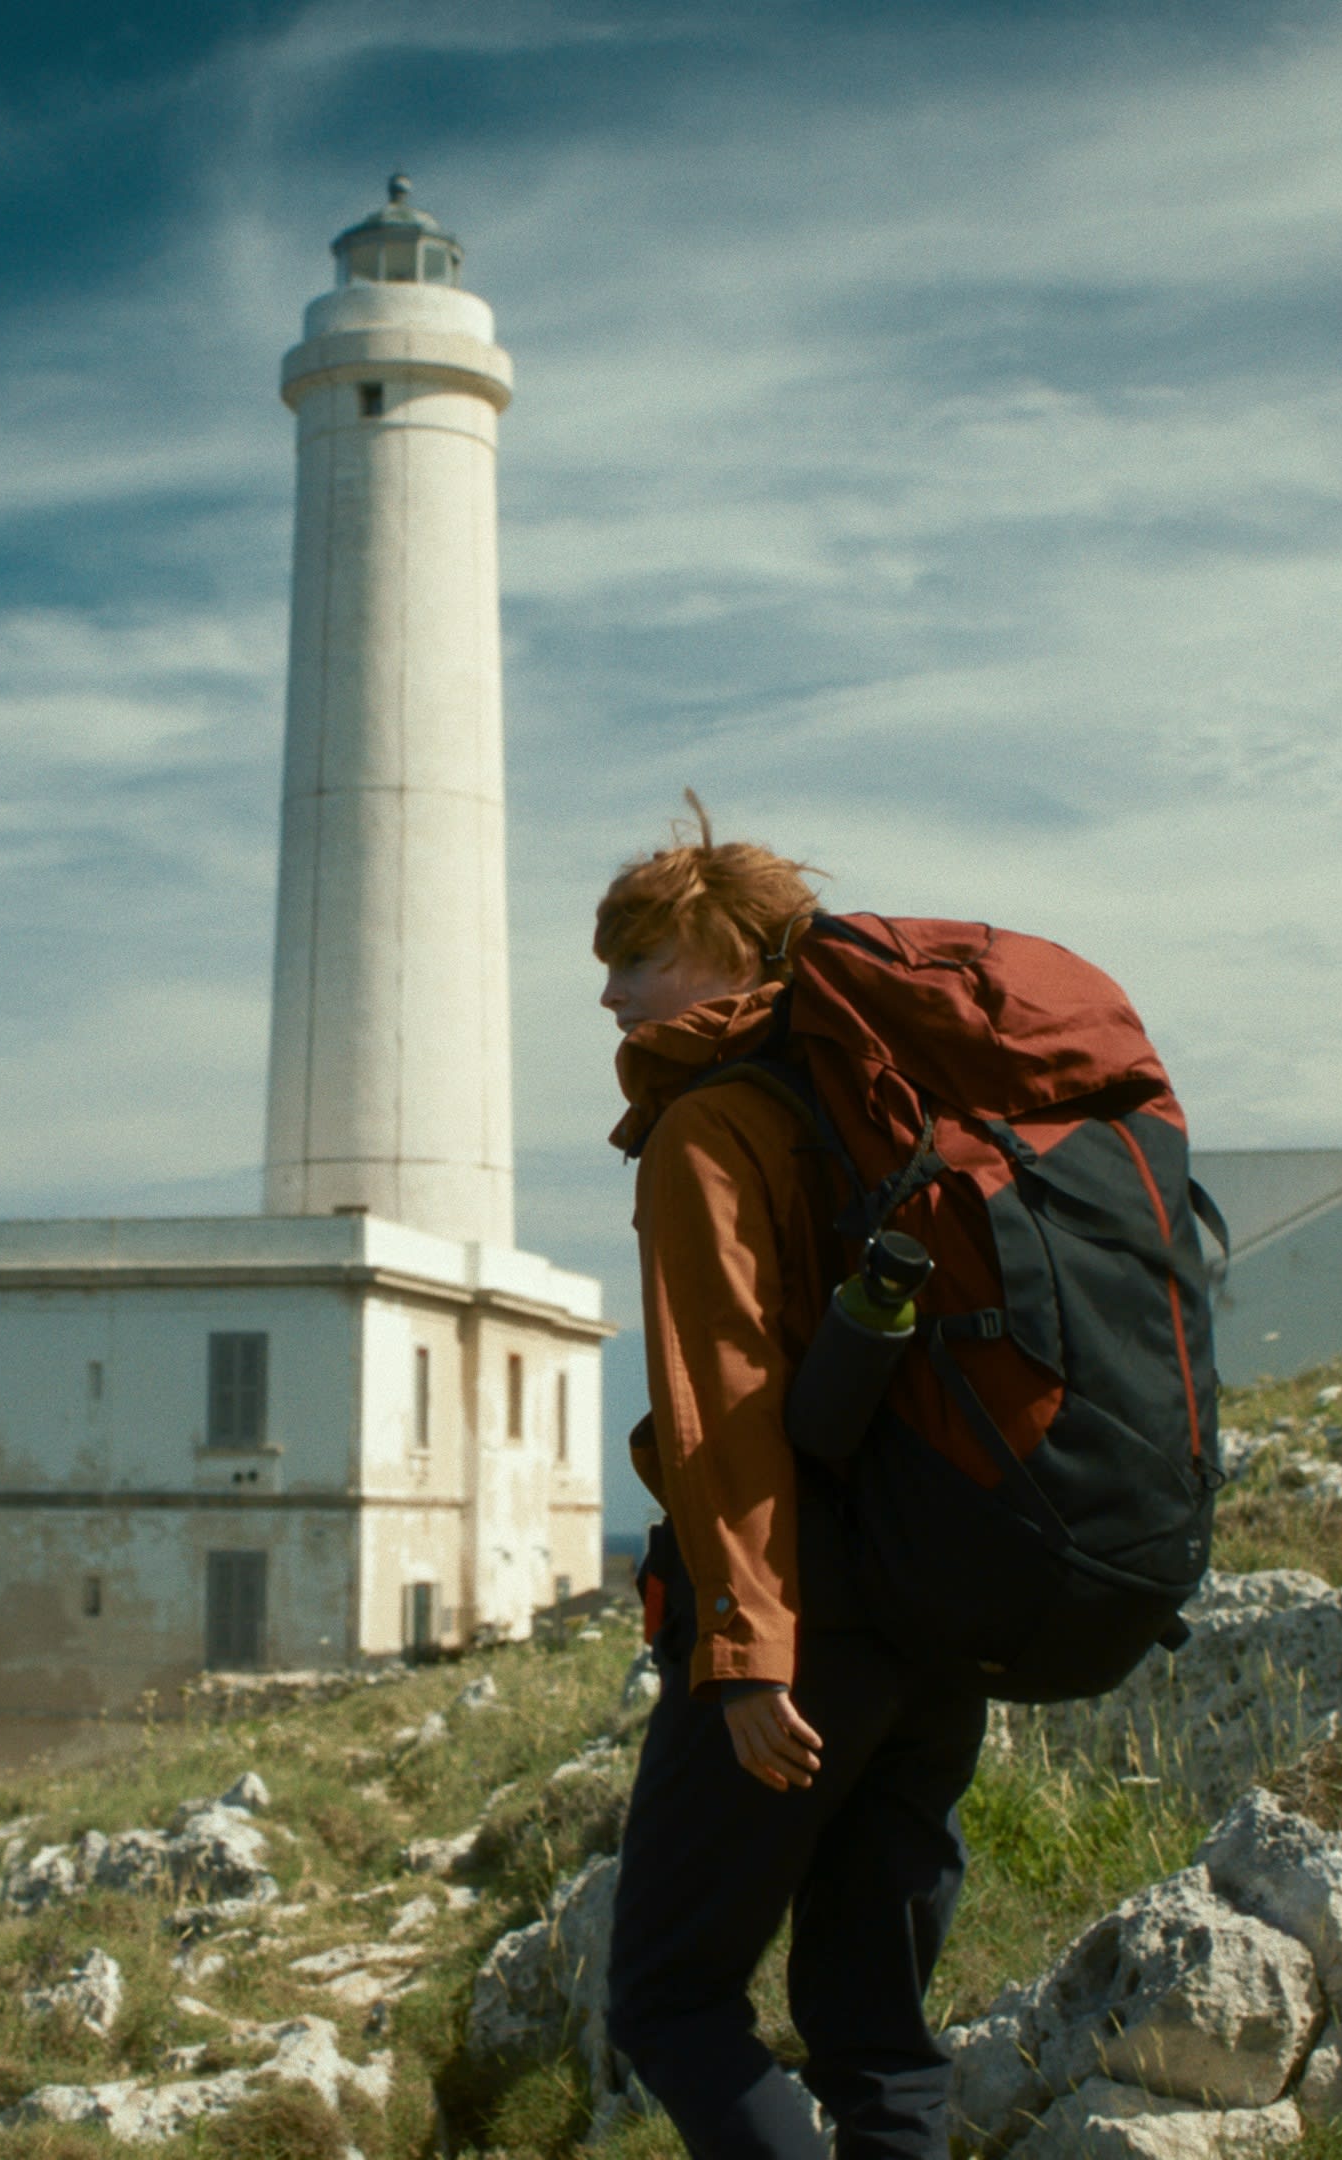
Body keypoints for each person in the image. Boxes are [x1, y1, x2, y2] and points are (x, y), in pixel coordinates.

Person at [596, 808, 988, 2160]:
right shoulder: (894, 1108)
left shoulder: (708, 1126)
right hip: (941, 1605)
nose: (610, 991)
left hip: (800, 1625)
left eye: (637, 958)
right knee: (875, 2026)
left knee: (668, 1996)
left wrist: (745, 1651)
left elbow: (725, 1409)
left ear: (719, 954)